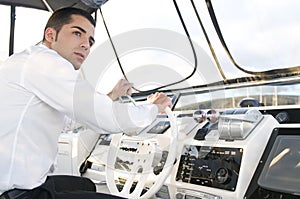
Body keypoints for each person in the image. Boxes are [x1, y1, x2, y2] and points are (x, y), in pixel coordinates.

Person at [0, 7, 172, 199]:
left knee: (86, 184)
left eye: (90, 41)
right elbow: (107, 117)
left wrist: (112, 95)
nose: (85, 45)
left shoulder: (28, 62)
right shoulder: (43, 62)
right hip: (18, 194)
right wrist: (154, 108)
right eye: (77, 33)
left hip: (24, 183)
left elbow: (70, 121)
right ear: (51, 34)